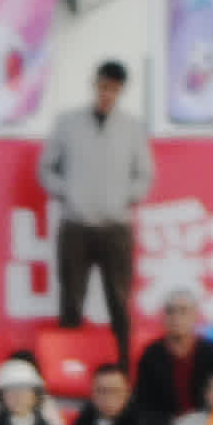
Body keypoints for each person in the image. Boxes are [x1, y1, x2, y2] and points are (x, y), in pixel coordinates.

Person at [40, 61, 151, 333]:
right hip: (76, 225)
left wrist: (124, 198)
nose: (106, 94)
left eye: (113, 89)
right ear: (94, 84)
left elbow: (144, 175)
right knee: (71, 301)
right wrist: (68, 192)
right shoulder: (67, 123)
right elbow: (46, 168)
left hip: (116, 227)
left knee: (119, 302)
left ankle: (123, 358)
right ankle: (69, 357)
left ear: (121, 91)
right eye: (103, 87)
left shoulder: (132, 128)